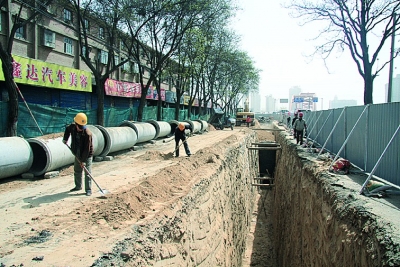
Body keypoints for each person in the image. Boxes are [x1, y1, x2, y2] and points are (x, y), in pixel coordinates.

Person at [62, 112, 94, 196]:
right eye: (79, 127)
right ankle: (78, 186)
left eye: (82, 127)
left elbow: (87, 150)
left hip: (86, 155)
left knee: (87, 172)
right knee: (77, 170)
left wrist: (83, 161)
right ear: (76, 124)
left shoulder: (88, 134)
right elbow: (67, 130)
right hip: (77, 152)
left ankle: (88, 189)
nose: (81, 129)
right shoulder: (72, 127)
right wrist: (65, 138)